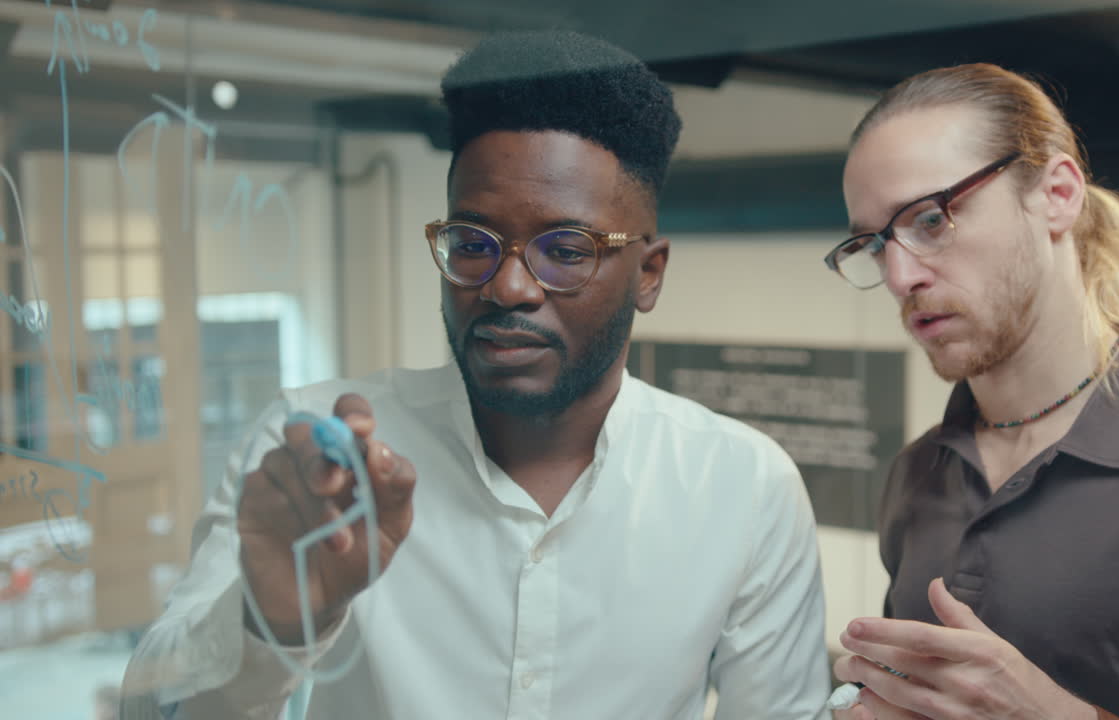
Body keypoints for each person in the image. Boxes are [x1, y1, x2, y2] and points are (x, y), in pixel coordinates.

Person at [119, 30, 831, 719]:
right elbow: (149, 712)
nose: (508, 288)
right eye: (471, 243)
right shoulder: (318, 455)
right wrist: (270, 620)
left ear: (648, 274)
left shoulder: (744, 489)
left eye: (565, 249)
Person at [824, 63, 1119, 719]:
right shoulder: (917, 473)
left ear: (1058, 194)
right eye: (873, 243)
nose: (899, 276)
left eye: (929, 220)